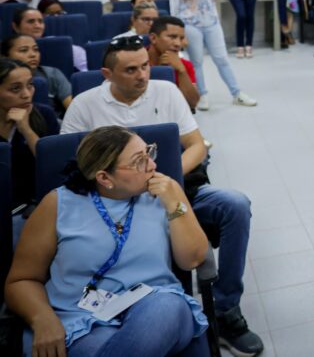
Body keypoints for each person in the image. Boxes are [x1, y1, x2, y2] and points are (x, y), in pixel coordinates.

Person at [60, 40, 263, 355]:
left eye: (145, 66)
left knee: (235, 205)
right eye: (131, 70)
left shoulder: (166, 91)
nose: (142, 75)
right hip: (114, 197)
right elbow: (71, 166)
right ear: (107, 73)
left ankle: (225, 309)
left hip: (173, 185)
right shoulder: (85, 106)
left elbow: (198, 145)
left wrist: (166, 180)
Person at [6, 126, 209, 357]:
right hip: (82, 318)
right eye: (139, 161)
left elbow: (193, 259)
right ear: (104, 178)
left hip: (156, 305)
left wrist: (175, 203)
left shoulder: (164, 193)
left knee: (167, 307)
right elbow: (22, 279)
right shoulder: (58, 204)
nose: (152, 165)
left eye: (149, 152)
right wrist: (42, 318)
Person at [173, 0, 257, 109]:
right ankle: (202, 95)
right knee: (197, 61)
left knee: (222, 59)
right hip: (190, 22)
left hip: (211, 21)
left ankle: (237, 93)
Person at [0, 58, 58, 243]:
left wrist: (26, 129)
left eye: (30, 85)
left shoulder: (44, 114)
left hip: (32, 208)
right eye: (15, 89)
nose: (26, 94)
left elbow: (52, 168)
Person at [2, 36, 72, 112]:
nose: (33, 54)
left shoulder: (52, 73)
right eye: (23, 50)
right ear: (5, 56)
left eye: (36, 49)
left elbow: (72, 107)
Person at [147, 16, 200, 111]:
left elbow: (192, 103)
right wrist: (160, 69)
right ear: (153, 38)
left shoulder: (184, 65)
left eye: (181, 38)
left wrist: (181, 71)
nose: (178, 44)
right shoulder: (137, 62)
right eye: (172, 37)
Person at [13, 5, 87, 72]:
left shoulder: (62, 45)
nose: (37, 26)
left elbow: (84, 72)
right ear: (16, 27)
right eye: (31, 21)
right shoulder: (9, 48)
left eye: (40, 21)